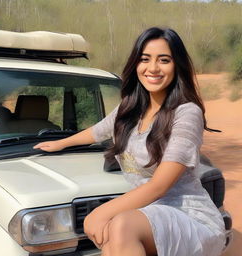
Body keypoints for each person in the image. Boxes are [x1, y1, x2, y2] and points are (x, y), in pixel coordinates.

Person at [34, 27, 225, 256]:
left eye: (163, 60)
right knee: (116, 234)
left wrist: (100, 212)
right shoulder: (130, 110)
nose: (153, 68)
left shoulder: (186, 112)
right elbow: (98, 131)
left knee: (121, 224)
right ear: (136, 64)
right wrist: (61, 143)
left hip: (190, 217)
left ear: (177, 66)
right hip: (148, 214)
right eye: (145, 59)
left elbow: (159, 185)